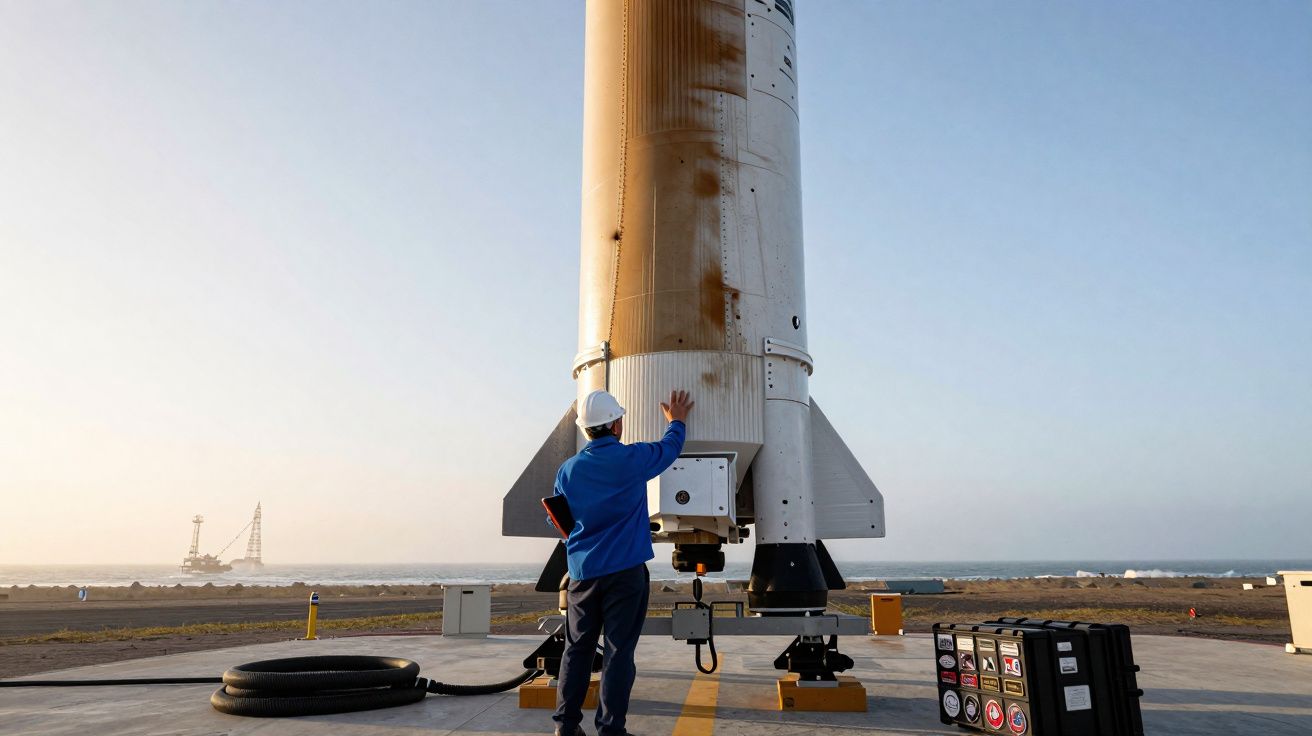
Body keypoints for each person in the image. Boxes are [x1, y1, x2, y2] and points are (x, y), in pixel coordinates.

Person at [551, 388, 695, 736]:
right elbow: (669, 449)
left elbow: (557, 521)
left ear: (586, 430)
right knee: (618, 653)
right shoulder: (632, 459)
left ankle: (566, 728)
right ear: (616, 425)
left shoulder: (567, 471)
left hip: (583, 576)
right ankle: (610, 730)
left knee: (577, 651)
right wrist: (676, 421)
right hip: (626, 574)